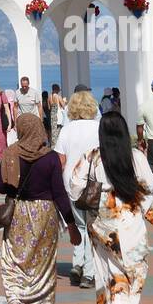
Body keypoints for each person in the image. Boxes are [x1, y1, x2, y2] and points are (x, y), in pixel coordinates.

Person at [69, 110, 153, 304]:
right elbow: (152, 185)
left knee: (108, 272)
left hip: (99, 222)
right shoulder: (136, 156)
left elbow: (74, 186)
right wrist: (142, 208)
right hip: (128, 219)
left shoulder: (92, 156)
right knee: (135, 270)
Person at [0, 112, 81, 304]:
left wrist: (13, 181)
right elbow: (60, 194)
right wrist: (71, 225)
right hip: (45, 215)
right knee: (43, 264)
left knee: (15, 260)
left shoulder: (11, 153)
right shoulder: (50, 157)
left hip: (19, 214)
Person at [56, 89, 101, 287]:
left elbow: (61, 160)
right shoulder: (99, 128)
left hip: (71, 184)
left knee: (78, 225)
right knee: (92, 226)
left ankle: (77, 263)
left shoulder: (67, 129)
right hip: (93, 183)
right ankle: (89, 273)